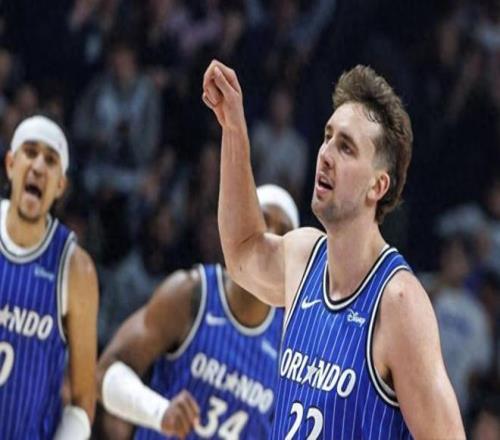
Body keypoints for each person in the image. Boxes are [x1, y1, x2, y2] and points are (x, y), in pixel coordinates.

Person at [202, 60, 465, 439]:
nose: (325, 153)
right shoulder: (304, 256)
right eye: (328, 137)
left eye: (346, 147)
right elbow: (242, 252)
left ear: (378, 186)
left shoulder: (399, 302)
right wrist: (233, 129)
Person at [97, 184, 299, 439]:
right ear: (242, 223)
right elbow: (105, 372)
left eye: (283, 233)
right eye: (263, 220)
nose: (271, 235)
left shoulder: (290, 342)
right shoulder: (191, 293)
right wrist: (159, 411)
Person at [0, 115, 99, 439]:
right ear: (11, 164)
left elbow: (83, 400)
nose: (39, 167)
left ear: (60, 186)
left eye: (51, 160)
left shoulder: (76, 269)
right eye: (30, 152)